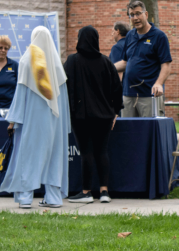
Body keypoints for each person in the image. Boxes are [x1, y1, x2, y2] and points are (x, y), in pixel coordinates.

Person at [0, 26, 70, 209]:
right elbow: (62, 103)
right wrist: (64, 125)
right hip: (54, 123)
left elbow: (20, 93)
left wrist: (14, 120)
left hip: (30, 122)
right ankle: (53, 198)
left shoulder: (25, 61)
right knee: (54, 156)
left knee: (28, 156)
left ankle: (25, 198)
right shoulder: (56, 66)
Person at [64, 26, 123, 204]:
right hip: (104, 116)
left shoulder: (72, 61)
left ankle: (86, 192)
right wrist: (115, 112)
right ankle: (104, 192)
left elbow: (64, 87)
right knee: (102, 151)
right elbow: (116, 90)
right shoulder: (106, 62)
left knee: (87, 152)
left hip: (81, 116)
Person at [113, 0, 172, 118]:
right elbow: (125, 62)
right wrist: (107, 68)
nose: (135, 18)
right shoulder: (130, 35)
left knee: (148, 132)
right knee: (128, 132)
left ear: (146, 14)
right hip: (128, 94)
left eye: (138, 13)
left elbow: (166, 64)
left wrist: (159, 83)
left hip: (148, 95)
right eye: (132, 15)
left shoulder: (159, 36)